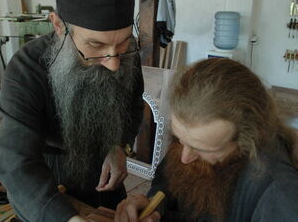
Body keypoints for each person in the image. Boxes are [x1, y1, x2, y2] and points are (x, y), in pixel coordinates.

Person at [0, 0, 144, 222]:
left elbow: (133, 105)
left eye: (123, 41)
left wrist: (119, 146)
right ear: (58, 26)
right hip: (47, 185)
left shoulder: (126, 55)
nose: (114, 62)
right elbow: (16, 163)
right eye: (95, 45)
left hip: (106, 176)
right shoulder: (26, 68)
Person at [115, 58, 298, 222]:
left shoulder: (279, 194)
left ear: (248, 140)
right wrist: (153, 206)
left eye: (202, 150)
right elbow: (166, 184)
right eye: (180, 140)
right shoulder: (194, 140)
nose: (185, 158)